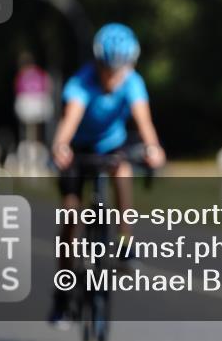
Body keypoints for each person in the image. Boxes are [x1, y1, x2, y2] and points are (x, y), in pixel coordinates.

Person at [48, 22, 166, 326]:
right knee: (71, 215)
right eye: (108, 70)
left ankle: (126, 241)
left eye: (121, 69)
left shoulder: (133, 82)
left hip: (111, 146)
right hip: (79, 149)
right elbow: (70, 120)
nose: (114, 77)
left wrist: (154, 149)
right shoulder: (81, 82)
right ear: (97, 63)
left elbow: (144, 122)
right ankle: (62, 295)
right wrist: (60, 145)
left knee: (122, 167)